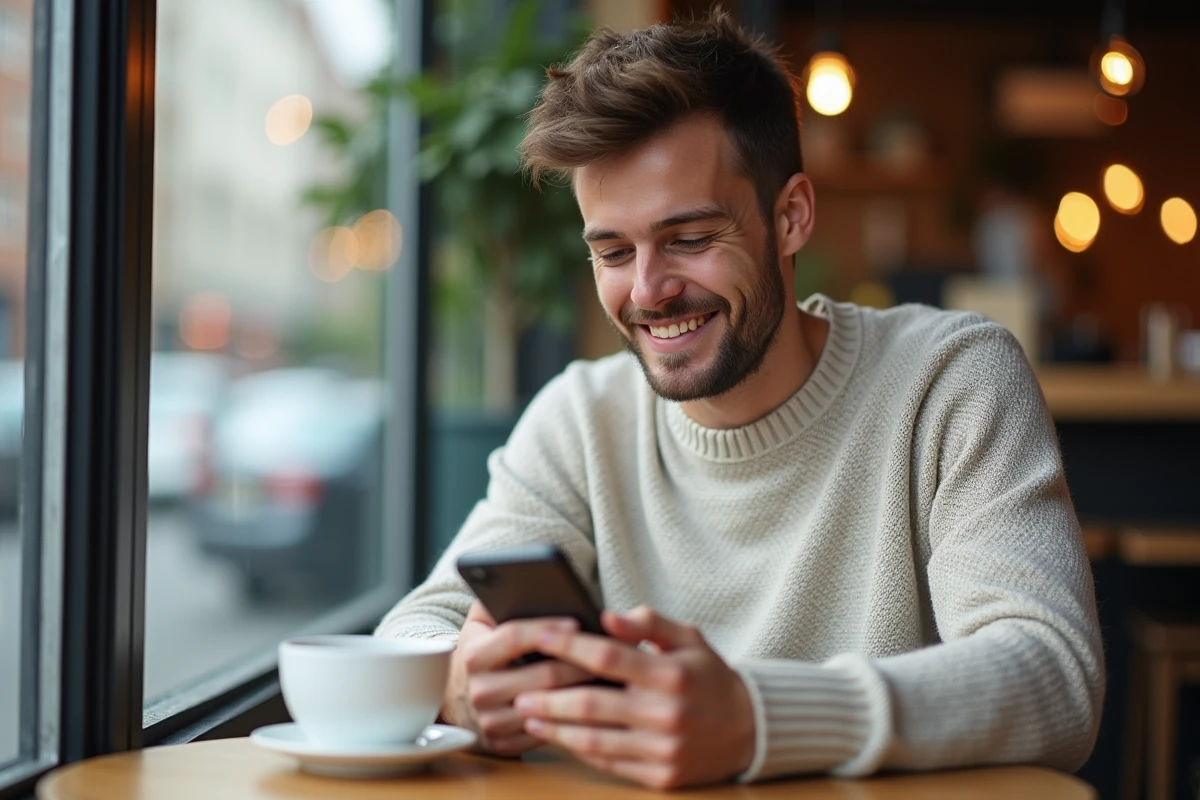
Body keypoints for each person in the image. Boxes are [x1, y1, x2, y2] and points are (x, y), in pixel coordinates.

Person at [376, 10, 1104, 790]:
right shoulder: (581, 417)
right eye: (613, 251)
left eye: (689, 239)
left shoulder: (950, 379)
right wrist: (459, 685)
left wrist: (758, 719)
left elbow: (1054, 679)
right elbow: (414, 630)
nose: (649, 290)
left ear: (790, 216)